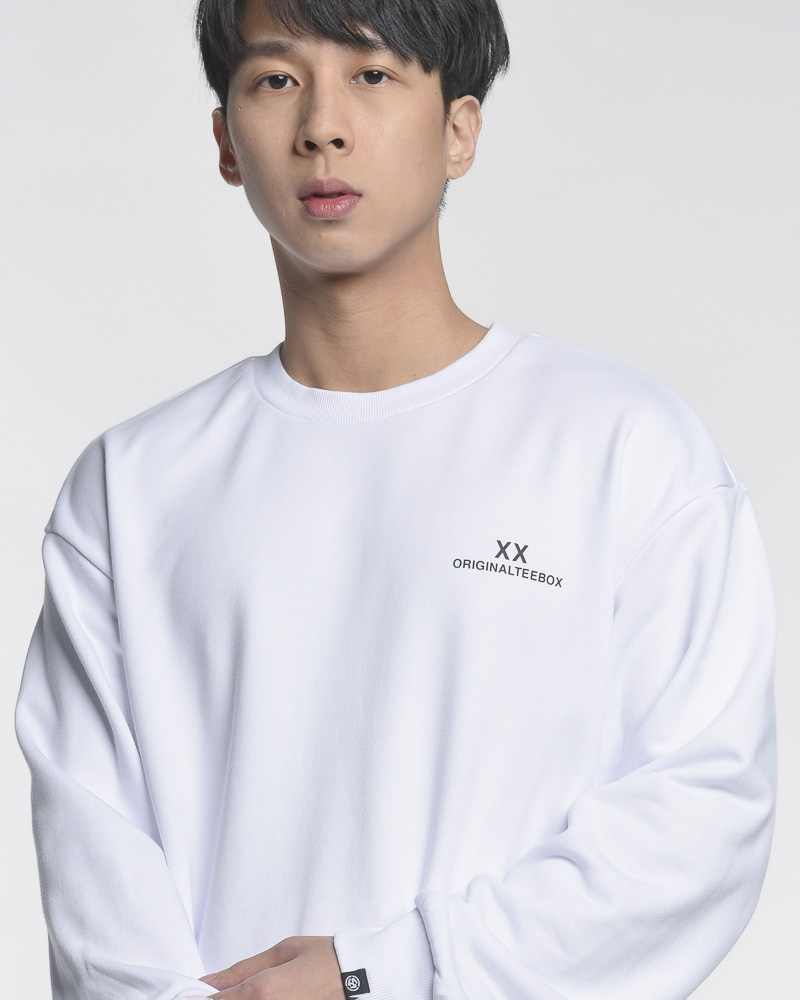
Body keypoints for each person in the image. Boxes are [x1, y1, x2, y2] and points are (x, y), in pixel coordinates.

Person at [14, 0, 777, 998]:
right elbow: (97, 880)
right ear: (226, 142)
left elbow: (701, 819)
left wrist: (379, 972)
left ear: (459, 128)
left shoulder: (624, 449)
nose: (321, 126)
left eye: (372, 74)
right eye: (276, 79)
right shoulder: (130, 487)